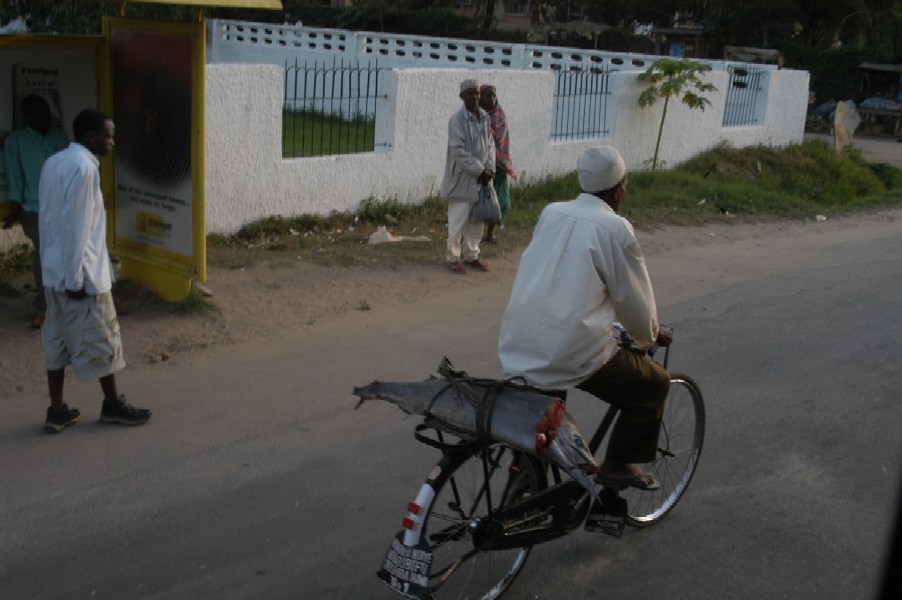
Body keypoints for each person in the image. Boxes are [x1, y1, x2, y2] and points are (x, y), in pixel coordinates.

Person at [498, 145, 672, 490]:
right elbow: (636, 307)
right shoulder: (615, 228)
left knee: (546, 400)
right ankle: (619, 464)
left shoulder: (552, 213)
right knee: (654, 384)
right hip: (571, 349)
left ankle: (524, 482)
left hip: (520, 340)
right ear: (620, 189)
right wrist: (649, 334)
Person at [38, 108, 151, 433]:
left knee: (57, 342)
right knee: (103, 340)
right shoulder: (85, 169)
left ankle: (57, 409)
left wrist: (55, 271)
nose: (112, 141)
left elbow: (49, 220)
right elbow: (76, 227)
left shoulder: (53, 163)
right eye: (108, 135)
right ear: (91, 136)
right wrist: (75, 278)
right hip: (81, 278)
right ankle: (112, 405)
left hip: (54, 273)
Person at [2, 94, 69, 328]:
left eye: (47, 111)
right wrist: (15, 207)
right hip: (35, 208)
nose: (45, 116)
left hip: (64, 207)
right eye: (39, 112)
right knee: (44, 255)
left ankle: (70, 302)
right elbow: (14, 176)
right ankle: (44, 306)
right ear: (28, 116)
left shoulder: (58, 137)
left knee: (71, 253)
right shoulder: (16, 141)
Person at [442, 78, 495, 274]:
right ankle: (453, 257)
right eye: (469, 93)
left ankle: (472, 255)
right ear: (461, 97)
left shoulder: (485, 117)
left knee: (477, 219)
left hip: (482, 177)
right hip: (463, 177)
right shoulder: (456, 120)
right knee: (458, 218)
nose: (474, 97)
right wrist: (480, 170)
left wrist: (489, 169)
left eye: (476, 93)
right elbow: (458, 150)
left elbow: (491, 145)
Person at [478, 84, 517, 244]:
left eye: (494, 95)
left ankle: (490, 232)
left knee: (500, 200)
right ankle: (474, 233)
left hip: (499, 165)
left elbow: (499, 141)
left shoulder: (499, 116)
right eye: (488, 96)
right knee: (478, 200)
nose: (492, 99)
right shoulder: (475, 117)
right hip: (479, 165)